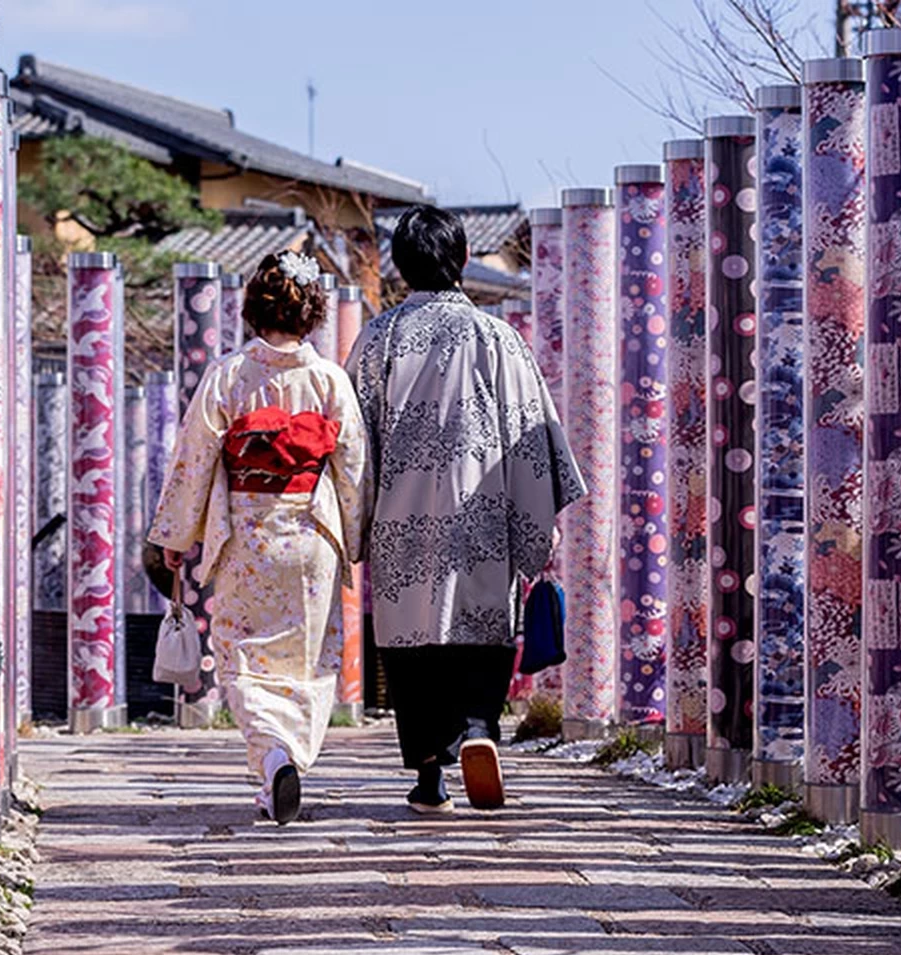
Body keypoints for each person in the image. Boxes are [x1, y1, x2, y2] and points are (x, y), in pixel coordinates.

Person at [347, 206, 585, 814]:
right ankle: (479, 728)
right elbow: (532, 433)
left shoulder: (378, 338)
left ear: (401, 266)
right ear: (460, 260)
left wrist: (354, 524)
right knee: (482, 625)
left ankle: (430, 778)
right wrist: (537, 525)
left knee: (410, 642)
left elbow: (354, 443)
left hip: (401, 522)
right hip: (483, 512)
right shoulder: (499, 339)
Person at [149, 250, 367, 825]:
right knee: (309, 659)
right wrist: (356, 536)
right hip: (312, 536)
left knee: (242, 658)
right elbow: (353, 467)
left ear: (253, 309)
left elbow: (193, 462)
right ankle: (287, 758)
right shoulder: (329, 381)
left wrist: (176, 535)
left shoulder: (229, 375)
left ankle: (273, 755)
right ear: (313, 314)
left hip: (248, 535)